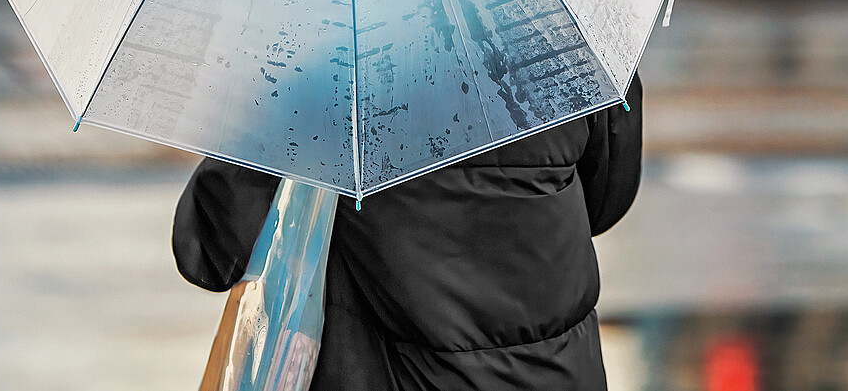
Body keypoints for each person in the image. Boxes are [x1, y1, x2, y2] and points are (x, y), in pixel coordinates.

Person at [173, 75, 644, 390]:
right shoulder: (570, 33)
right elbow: (604, 204)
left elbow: (212, 252)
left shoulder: (334, 57)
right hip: (558, 373)